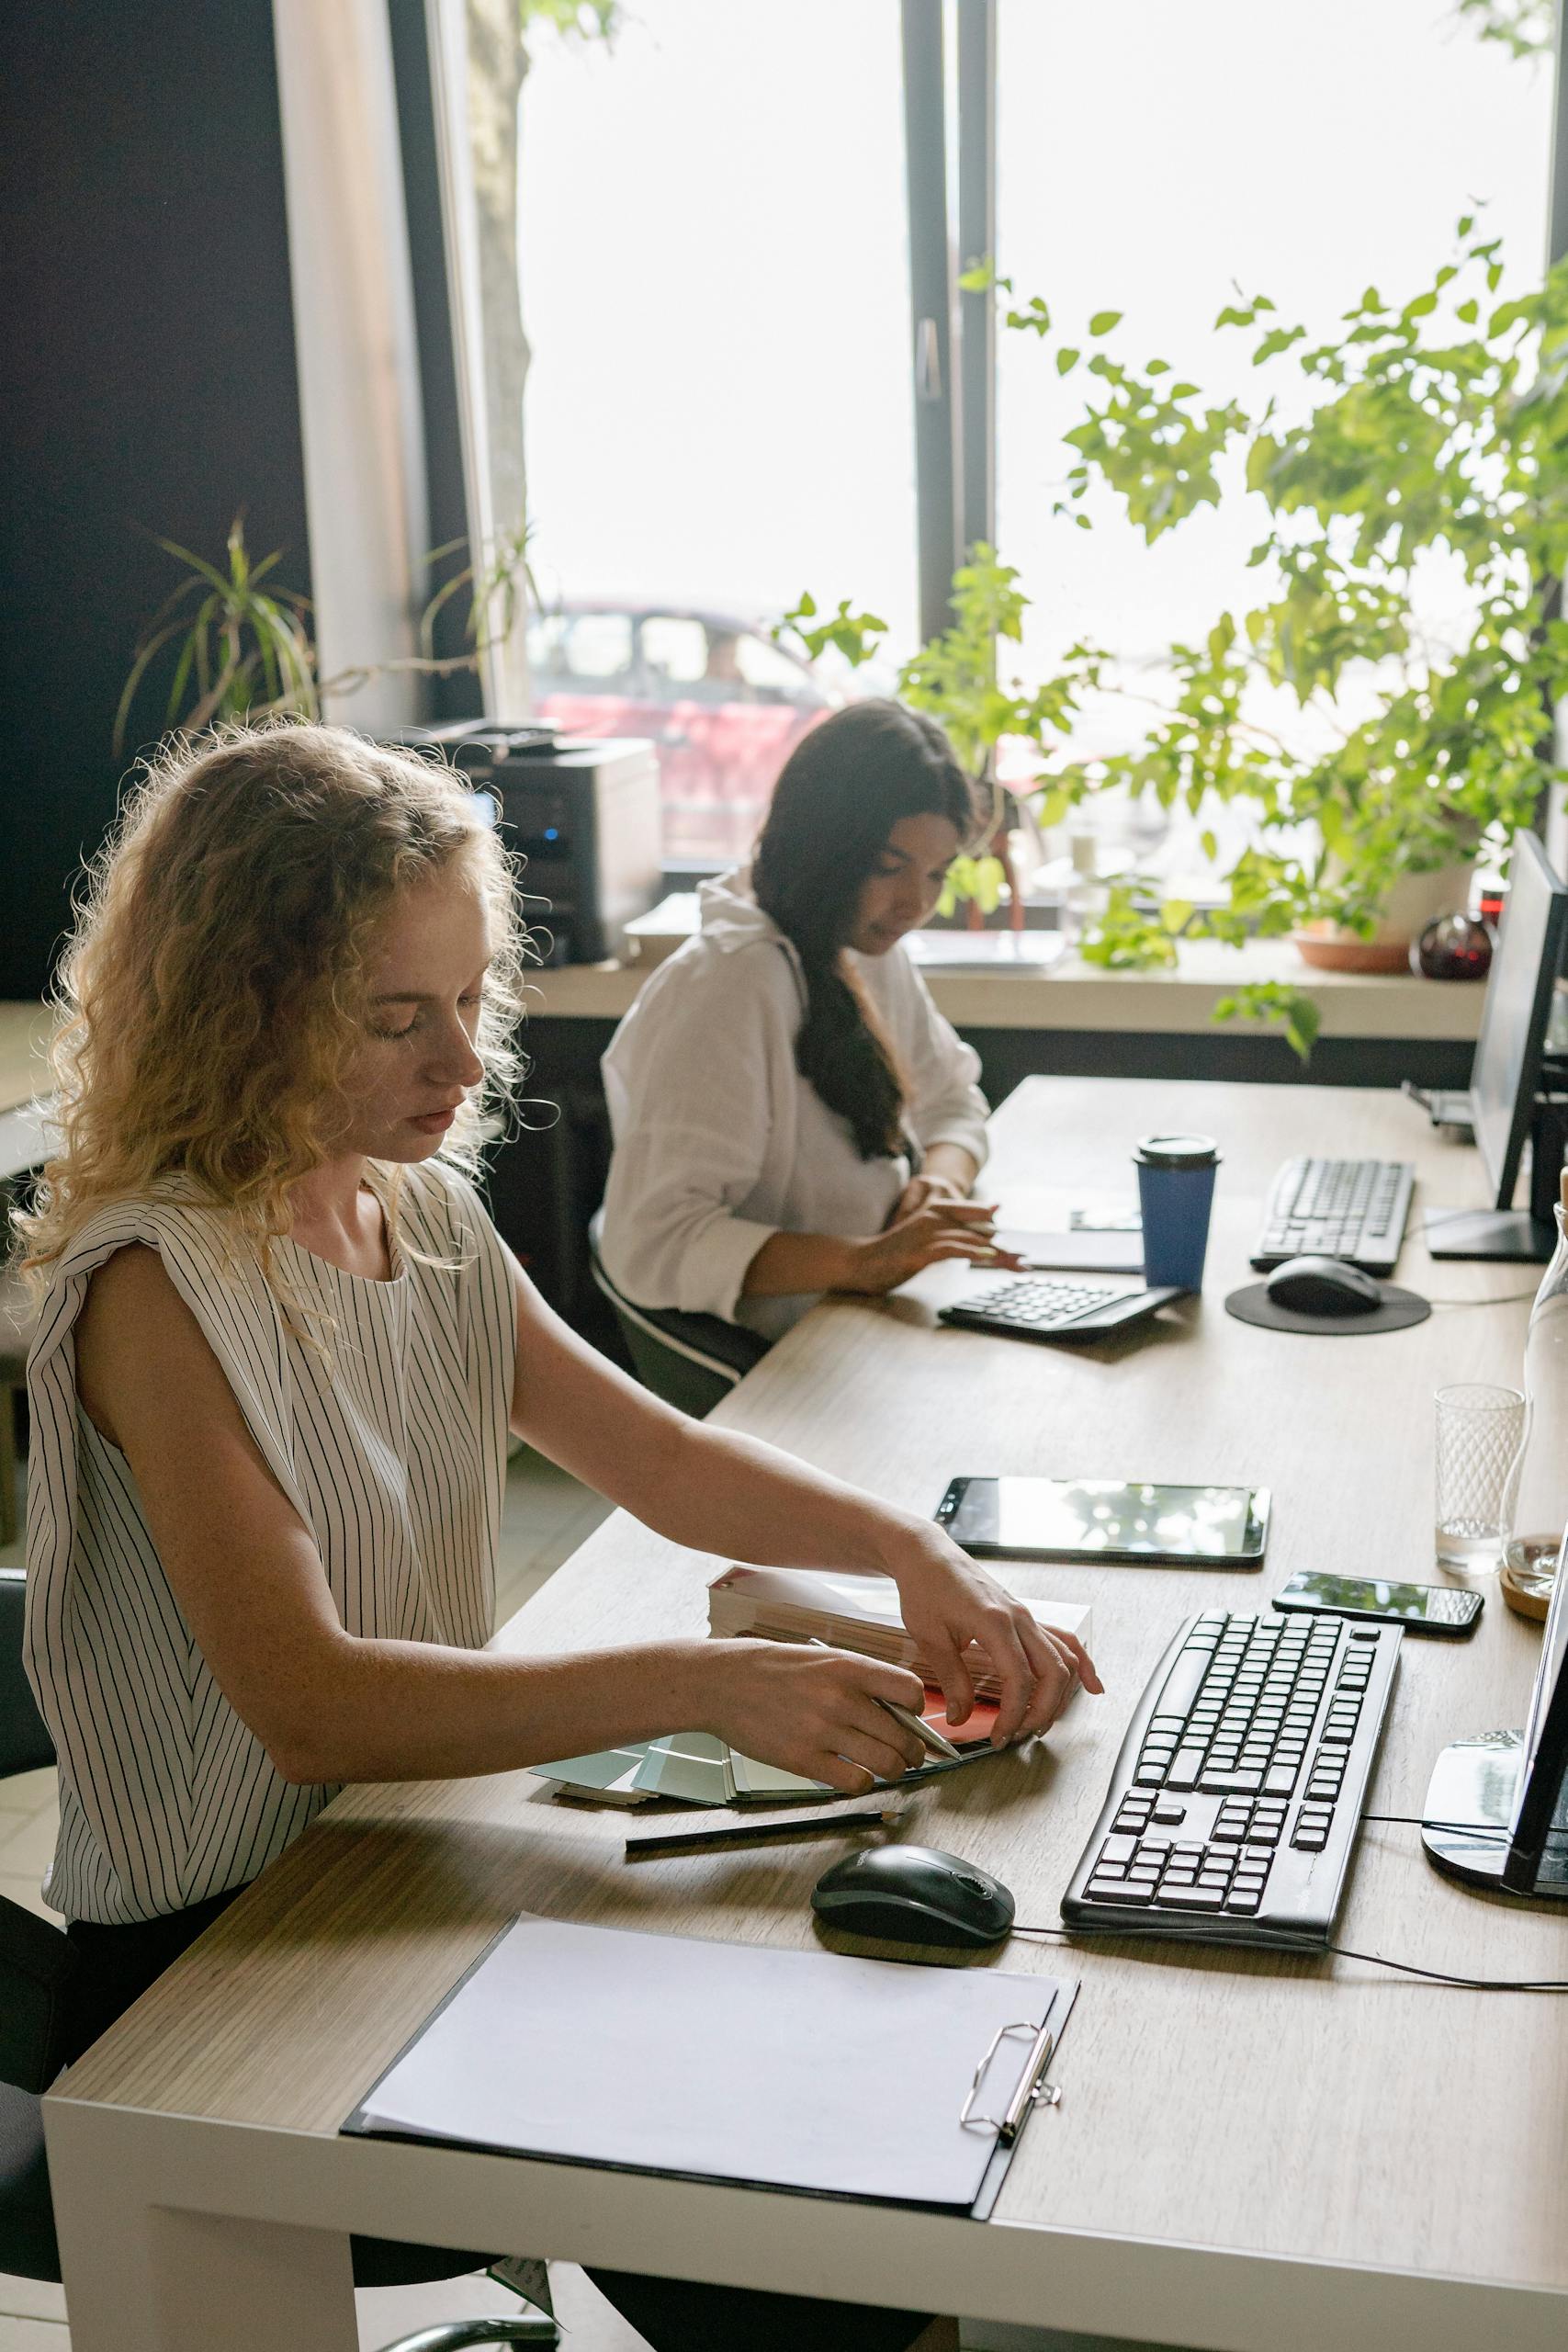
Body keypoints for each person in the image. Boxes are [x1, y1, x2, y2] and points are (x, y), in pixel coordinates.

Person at [17, 720, 1100, 2352]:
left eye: (468, 1003)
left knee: (853, 2165)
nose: (460, 1065)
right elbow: (308, 1702)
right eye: (394, 1020)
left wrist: (915, 1555)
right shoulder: (160, 1288)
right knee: (798, 2244)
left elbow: (658, 1463)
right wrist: (696, 1682)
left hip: (395, 1866)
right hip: (218, 1958)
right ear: (243, 1012)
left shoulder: (426, 1214)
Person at [599, 698, 1017, 1344]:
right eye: (888, 867)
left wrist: (938, 1181)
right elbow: (652, 1244)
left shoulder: (864, 945)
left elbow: (953, 1101)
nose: (915, 904)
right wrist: (862, 1261)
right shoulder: (728, 985)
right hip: (791, 1358)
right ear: (823, 845)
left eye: (936, 873)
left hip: (862, 1325)